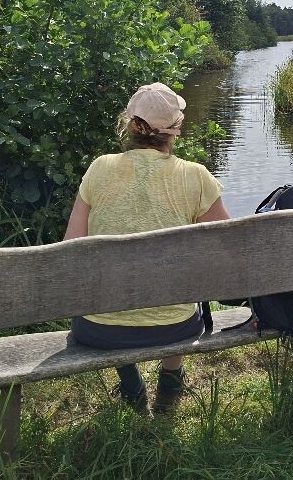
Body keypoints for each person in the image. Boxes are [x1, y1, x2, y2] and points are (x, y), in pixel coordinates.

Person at [63, 82, 230, 413]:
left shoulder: (99, 168)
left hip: (99, 330)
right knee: (177, 294)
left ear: (130, 124)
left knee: (114, 295)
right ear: (175, 129)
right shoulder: (196, 176)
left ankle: (131, 384)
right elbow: (229, 245)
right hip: (175, 328)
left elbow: (72, 248)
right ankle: (171, 381)